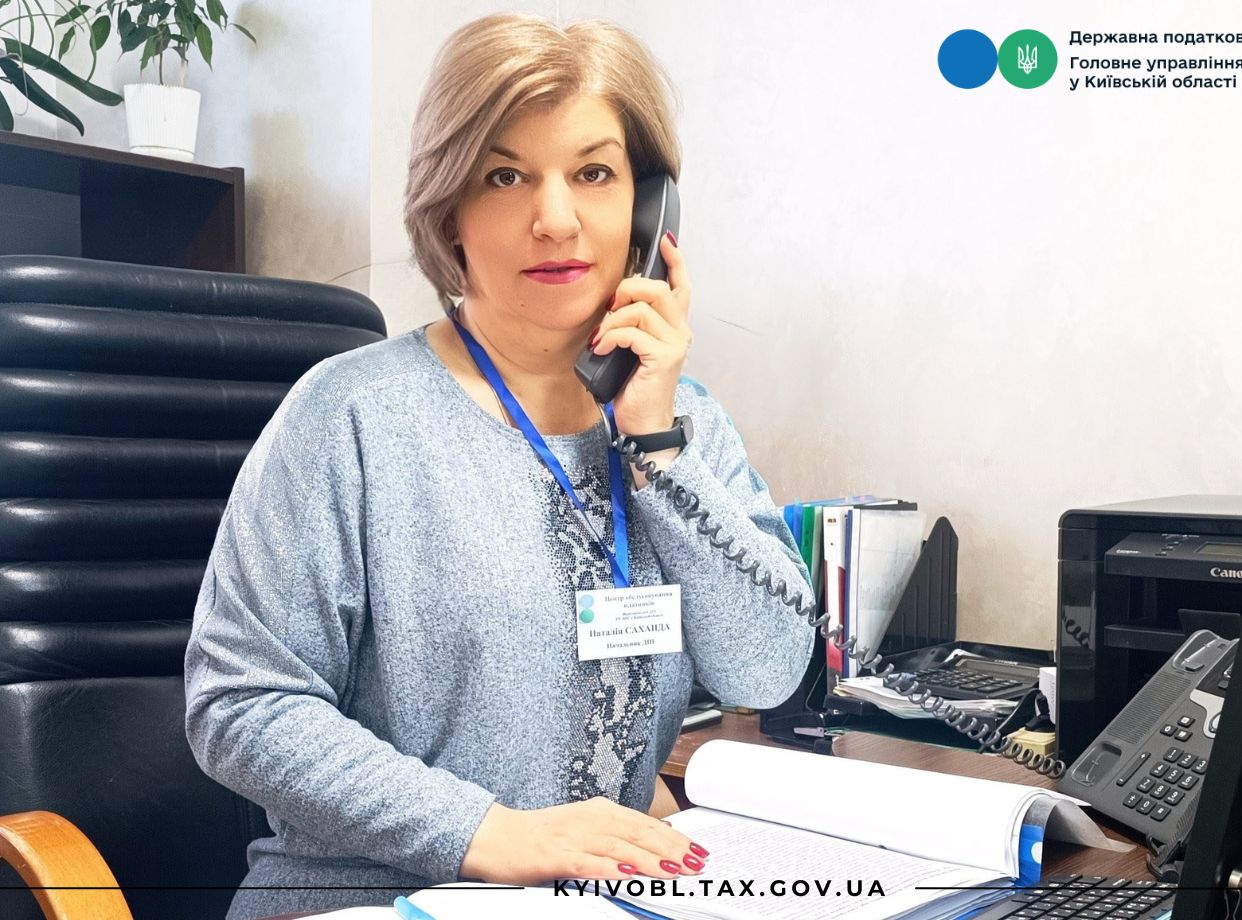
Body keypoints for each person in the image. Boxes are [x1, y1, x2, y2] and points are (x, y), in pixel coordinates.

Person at [183, 12, 814, 919]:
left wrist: (655, 445)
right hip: (371, 900)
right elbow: (241, 705)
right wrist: (489, 833)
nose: (555, 219)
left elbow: (767, 671)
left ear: (649, 211)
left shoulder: (685, 420)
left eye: (593, 173)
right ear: (449, 208)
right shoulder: (351, 415)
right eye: (505, 175)